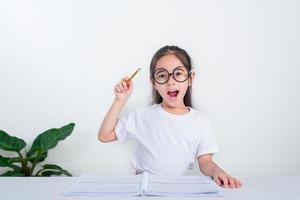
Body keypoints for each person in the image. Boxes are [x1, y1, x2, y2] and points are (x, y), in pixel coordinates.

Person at [98, 45, 242, 188]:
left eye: (178, 74)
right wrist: (120, 100)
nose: (170, 81)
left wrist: (218, 172)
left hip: (176, 189)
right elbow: (105, 135)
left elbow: (205, 162)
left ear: (190, 78)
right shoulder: (144, 116)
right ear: (153, 83)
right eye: (162, 75)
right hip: (144, 187)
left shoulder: (199, 121)